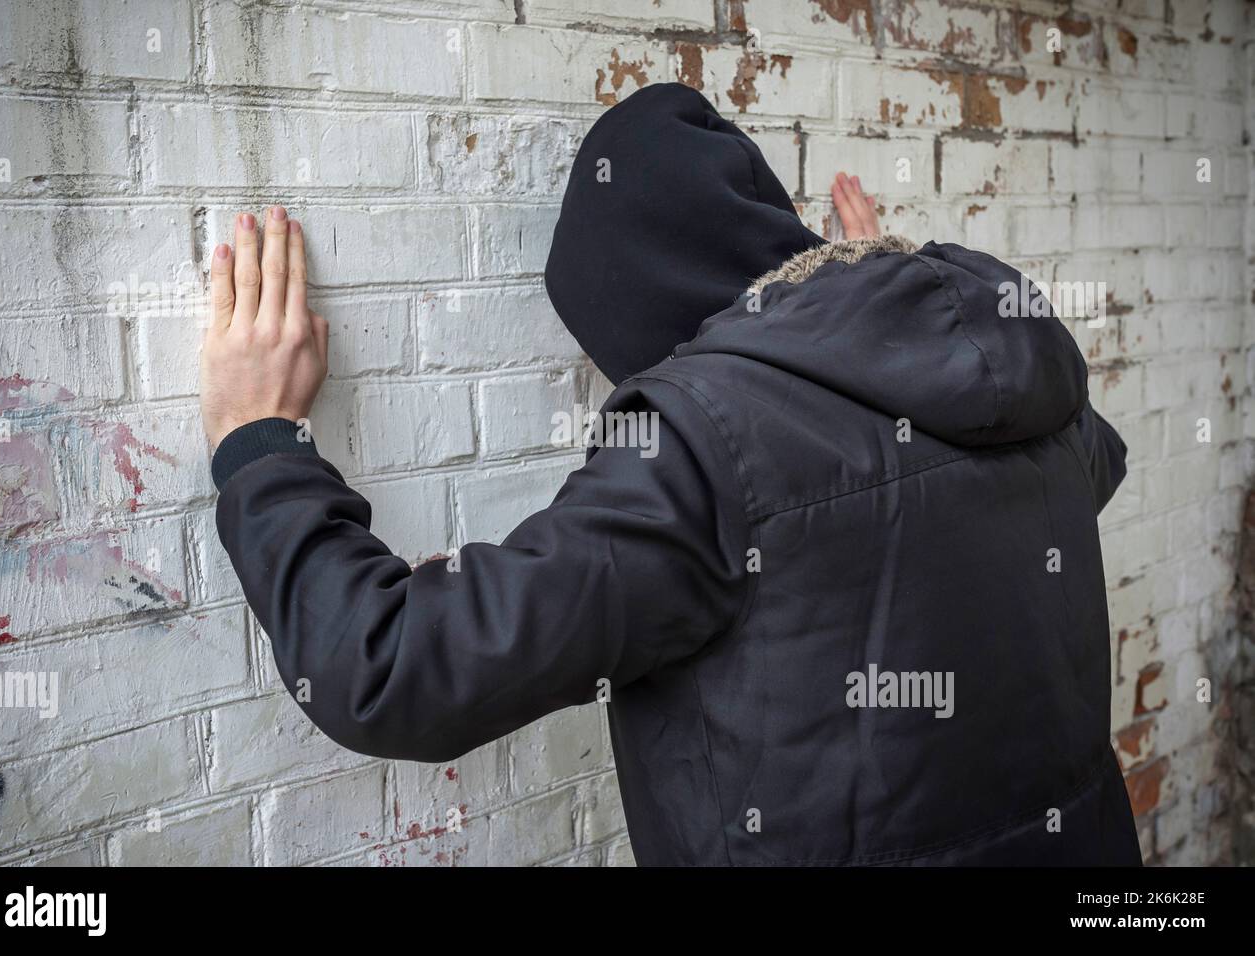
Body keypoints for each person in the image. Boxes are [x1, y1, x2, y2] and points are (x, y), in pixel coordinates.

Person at [199, 83, 1140, 866]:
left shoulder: (703, 447)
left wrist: (259, 439)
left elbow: (391, 671)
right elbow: (1085, 467)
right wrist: (880, 308)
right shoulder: (1027, 382)